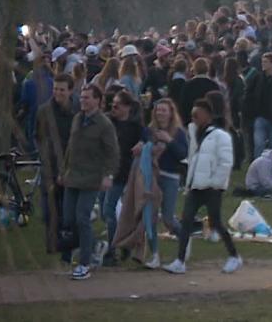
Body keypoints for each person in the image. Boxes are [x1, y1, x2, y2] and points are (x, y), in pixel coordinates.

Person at [163, 98, 240, 275]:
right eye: (192, 115)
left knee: (216, 222)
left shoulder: (221, 137)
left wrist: (216, 184)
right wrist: (189, 182)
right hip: (196, 186)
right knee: (187, 220)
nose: (194, 118)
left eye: (197, 114)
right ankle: (180, 261)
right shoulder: (194, 134)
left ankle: (234, 256)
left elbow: (225, 162)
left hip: (212, 188)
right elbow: (193, 160)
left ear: (208, 115)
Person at [60, 84, 118, 281]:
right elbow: (70, 146)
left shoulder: (104, 124)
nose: (83, 100)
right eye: (82, 97)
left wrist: (108, 175)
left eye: (87, 98)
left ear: (98, 100)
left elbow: (112, 152)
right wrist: (64, 170)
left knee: (82, 217)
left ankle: (84, 264)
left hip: (91, 177)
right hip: (73, 175)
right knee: (68, 219)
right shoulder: (77, 118)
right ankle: (95, 245)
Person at [103, 90, 148, 266]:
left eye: (117, 105)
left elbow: (147, 135)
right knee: (105, 212)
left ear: (127, 107)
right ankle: (124, 242)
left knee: (108, 210)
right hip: (106, 171)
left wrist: (142, 143)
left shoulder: (135, 126)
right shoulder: (109, 121)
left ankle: (112, 250)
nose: (113, 108)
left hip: (122, 172)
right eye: (112, 104)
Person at [36, 73, 77, 255]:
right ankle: (52, 246)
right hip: (50, 166)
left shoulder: (77, 110)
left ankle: (68, 245)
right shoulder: (44, 111)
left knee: (68, 212)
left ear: (70, 91)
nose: (57, 93)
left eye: (62, 90)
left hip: (72, 166)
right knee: (48, 210)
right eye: (55, 89)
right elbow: (38, 136)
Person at [145, 98, 189, 240]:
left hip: (170, 177)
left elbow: (183, 154)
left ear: (171, 113)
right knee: (150, 216)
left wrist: (169, 140)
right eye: (158, 110)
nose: (160, 113)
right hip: (152, 176)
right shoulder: (149, 131)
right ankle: (154, 253)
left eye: (164, 110)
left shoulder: (178, 132)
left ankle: (184, 239)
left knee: (168, 218)